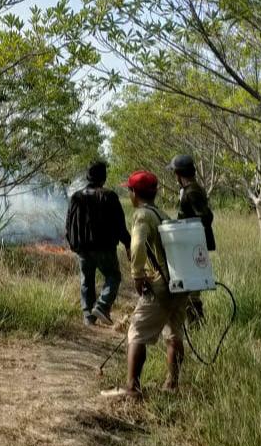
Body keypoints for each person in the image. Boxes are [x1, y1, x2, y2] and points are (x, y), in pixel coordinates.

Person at [103, 170, 187, 399]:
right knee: (174, 333)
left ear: (133, 193)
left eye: (128, 190)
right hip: (180, 286)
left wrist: (137, 274)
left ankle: (132, 389)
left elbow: (137, 243)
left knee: (136, 331)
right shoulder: (162, 215)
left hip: (161, 285)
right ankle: (172, 385)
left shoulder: (141, 215)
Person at [65, 160, 131, 326]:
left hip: (83, 248)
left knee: (87, 279)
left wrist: (73, 244)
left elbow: (68, 224)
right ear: (104, 177)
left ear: (88, 176)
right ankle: (102, 306)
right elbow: (120, 225)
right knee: (113, 276)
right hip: (104, 247)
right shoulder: (109, 196)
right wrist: (128, 244)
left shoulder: (76, 197)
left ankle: (88, 316)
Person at [168, 154, 214, 321]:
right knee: (189, 286)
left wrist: (185, 228)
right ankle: (193, 322)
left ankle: (196, 324)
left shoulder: (192, 191)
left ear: (179, 174)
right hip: (191, 243)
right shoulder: (189, 189)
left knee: (191, 287)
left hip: (192, 244)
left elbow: (205, 217)